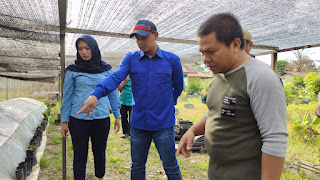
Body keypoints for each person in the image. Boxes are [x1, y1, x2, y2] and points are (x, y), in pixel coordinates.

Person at [176, 13, 288, 180]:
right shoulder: (220, 76)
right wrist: (192, 130)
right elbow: (216, 113)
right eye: (202, 52)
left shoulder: (260, 78)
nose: (205, 59)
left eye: (211, 51)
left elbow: (274, 138)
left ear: (235, 44)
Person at [77, 20, 184, 179]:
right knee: (137, 166)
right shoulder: (131, 58)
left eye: (144, 38)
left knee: (170, 165)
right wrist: (96, 94)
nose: (140, 42)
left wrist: (168, 104)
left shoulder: (172, 60)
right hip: (139, 124)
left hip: (163, 125)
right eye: (137, 39)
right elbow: (115, 78)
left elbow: (178, 87)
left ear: (155, 36)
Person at [60, 34, 121, 180]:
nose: (84, 52)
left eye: (87, 48)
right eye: (80, 49)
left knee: (99, 152)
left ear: (94, 48)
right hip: (78, 119)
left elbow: (112, 93)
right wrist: (64, 121)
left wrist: (117, 115)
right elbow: (67, 96)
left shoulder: (106, 69)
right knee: (80, 154)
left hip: (101, 117)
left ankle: (100, 176)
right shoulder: (73, 70)